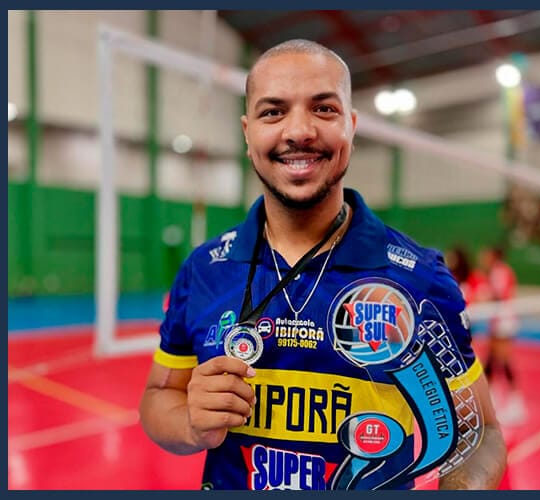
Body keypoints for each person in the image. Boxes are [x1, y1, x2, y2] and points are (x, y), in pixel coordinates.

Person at [139, 39, 506, 490]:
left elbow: (480, 430)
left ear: (350, 125)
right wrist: (191, 424)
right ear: (247, 131)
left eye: (324, 109)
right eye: (273, 112)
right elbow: (159, 399)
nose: (299, 131)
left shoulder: (419, 278)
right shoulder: (204, 271)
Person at [479, 246, 526, 425]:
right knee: (491, 361)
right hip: (497, 320)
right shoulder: (495, 272)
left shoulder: (500, 272)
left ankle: (516, 404)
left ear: (493, 255)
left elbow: (498, 296)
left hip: (503, 321)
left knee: (503, 361)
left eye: (486, 254)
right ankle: (491, 401)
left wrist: (483, 297)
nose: (483, 257)